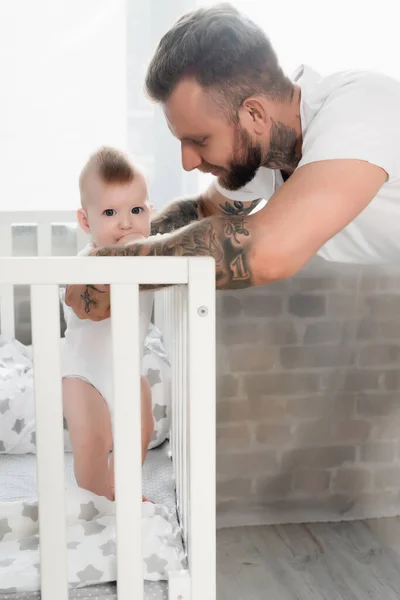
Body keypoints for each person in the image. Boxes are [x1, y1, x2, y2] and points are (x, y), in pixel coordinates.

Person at [65, 3, 400, 322]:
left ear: (254, 114)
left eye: (200, 140)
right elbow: (205, 211)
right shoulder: (264, 150)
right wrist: (100, 251)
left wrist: (112, 270)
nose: (187, 161)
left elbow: (264, 252)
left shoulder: (362, 110)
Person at [61, 146, 154, 500]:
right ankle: (95, 505)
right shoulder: (89, 261)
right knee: (93, 444)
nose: (126, 223)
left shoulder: (153, 259)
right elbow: (82, 303)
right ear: (86, 221)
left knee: (141, 430)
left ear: (150, 213)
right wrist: (114, 264)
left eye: (136, 210)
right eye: (111, 212)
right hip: (86, 375)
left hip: (129, 371)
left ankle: (121, 494)